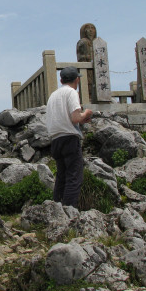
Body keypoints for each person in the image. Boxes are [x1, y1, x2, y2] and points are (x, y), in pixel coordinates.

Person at [46, 66, 93, 207]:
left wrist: (79, 119)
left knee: (61, 177)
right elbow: (75, 118)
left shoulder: (53, 96)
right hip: (69, 139)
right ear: (77, 79)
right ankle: (68, 212)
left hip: (55, 140)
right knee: (74, 177)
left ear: (61, 79)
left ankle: (57, 208)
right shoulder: (72, 92)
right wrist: (86, 114)